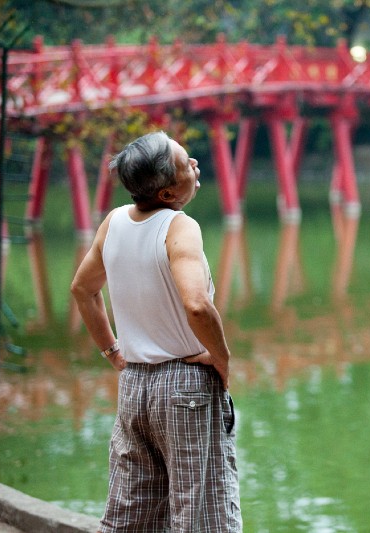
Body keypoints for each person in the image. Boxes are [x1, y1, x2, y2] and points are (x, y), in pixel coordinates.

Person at [70, 131, 241, 532]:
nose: (196, 164)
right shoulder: (179, 226)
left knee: (133, 514)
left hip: (134, 387)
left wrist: (113, 353)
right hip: (186, 386)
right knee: (201, 515)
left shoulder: (113, 223)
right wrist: (222, 357)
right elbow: (197, 305)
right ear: (166, 193)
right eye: (186, 164)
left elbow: (82, 290)